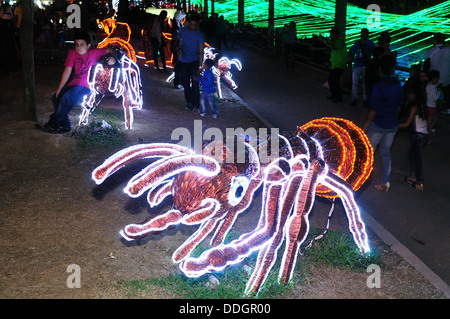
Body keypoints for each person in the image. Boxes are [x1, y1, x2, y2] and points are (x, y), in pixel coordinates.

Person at [36, 31, 116, 133]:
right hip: (75, 83)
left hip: (87, 84)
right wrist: (59, 88)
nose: (79, 47)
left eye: (82, 44)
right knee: (56, 96)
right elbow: (67, 71)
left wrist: (112, 57)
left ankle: (52, 124)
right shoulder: (72, 53)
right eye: (77, 44)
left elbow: (111, 50)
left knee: (67, 97)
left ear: (88, 45)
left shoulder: (94, 52)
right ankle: (65, 125)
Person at [362, 55, 404, 192]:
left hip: (378, 125)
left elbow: (374, 108)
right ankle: (385, 182)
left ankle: (361, 178)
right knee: (385, 152)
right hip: (392, 125)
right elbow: (399, 106)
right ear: (392, 69)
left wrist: (366, 124)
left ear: (380, 69)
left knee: (368, 152)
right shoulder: (398, 86)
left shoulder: (379, 86)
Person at [398, 88, 428, 191]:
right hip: (423, 135)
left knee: (417, 159)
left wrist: (394, 127)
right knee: (412, 155)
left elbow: (407, 124)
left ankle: (420, 182)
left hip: (418, 136)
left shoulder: (414, 108)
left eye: (411, 94)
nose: (409, 96)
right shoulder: (422, 107)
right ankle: (413, 176)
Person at [176, 11, 204, 111]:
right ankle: (190, 102)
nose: (192, 26)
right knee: (186, 83)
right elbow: (177, 39)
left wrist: (200, 67)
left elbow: (201, 52)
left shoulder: (199, 35)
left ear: (197, 25)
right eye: (191, 24)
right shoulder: (183, 30)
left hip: (195, 61)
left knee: (195, 83)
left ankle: (195, 103)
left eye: (194, 25)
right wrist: (178, 46)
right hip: (183, 61)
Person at [424, 33, 450, 115]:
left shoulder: (430, 52)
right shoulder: (448, 50)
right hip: (447, 80)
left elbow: (426, 67)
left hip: (433, 80)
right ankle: (448, 108)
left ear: (435, 40)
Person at [348, 28, 375, 106]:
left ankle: (359, 99)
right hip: (361, 65)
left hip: (361, 65)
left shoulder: (359, 43)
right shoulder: (370, 44)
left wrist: (350, 64)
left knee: (359, 83)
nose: (362, 35)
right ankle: (361, 99)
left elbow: (352, 53)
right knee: (359, 83)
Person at [325, 27, 347, 103]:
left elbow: (333, 47)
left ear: (335, 34)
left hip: (340, 65)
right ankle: (334, 96)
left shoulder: (340, 42)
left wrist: (325, 42)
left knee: (335, 81)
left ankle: (338, 97)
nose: (330, 36)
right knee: (331, 80)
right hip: (334, 65)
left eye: (331, 34)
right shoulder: (334, 41)